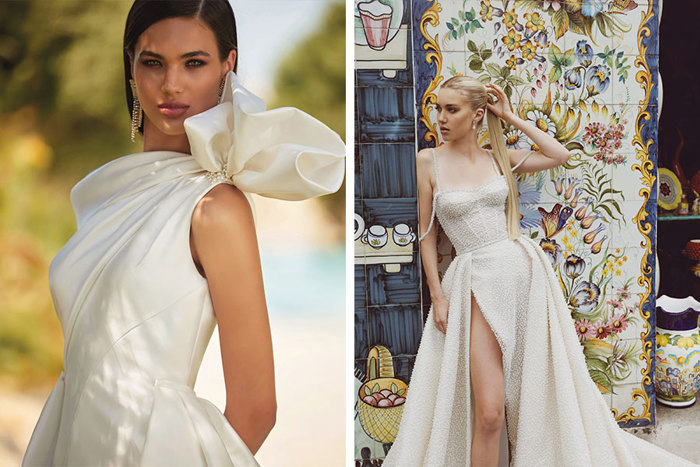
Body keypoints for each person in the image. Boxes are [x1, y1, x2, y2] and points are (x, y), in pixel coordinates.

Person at [21, 1, 345, 465]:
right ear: (131, 68)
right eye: (152, 62)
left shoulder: (216, 210)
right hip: (74, 437)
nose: (171, 85)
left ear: (227, 66)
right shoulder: (109, 192)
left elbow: (256, 409)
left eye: (194, 63)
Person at [381, 76, 697, 466]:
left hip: (522, 275)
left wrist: (510, 116)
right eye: (438, 108)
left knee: (533, 393)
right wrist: (439, 295)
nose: (440, 118)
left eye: (452, 109)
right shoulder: (427, 161)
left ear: (477, 114)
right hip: (474, 281)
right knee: (491, 411)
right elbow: (426, 236)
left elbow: (558, 154)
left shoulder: (497, 156)